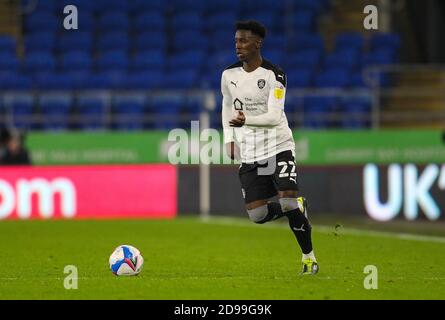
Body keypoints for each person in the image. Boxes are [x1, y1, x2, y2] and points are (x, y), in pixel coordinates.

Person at [221, 20, 318, 275]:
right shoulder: (228, 75)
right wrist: (229, 137)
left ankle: (308, 258)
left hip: (278, 146)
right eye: (236, 41)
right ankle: (299, 205)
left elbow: (275, 117)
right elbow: (226, 105)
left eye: (243, 41)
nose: (238, 46)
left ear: (257, 43)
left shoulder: (275, 75)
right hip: (251, 152)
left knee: (287, 204)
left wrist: (245, 121)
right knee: (258, 215)